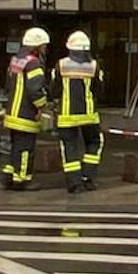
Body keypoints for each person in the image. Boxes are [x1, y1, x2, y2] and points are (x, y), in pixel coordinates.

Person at [53, 31, 103, 194]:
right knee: (94, 142)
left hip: (66, 116)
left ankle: (74, 182)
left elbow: (54, 90)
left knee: (69, 147)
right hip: (88, 114)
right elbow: (99, 90)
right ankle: (88, 177)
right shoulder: (94, 65)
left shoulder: (61, 65)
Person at [1, 27, 51, 190]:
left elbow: (8, 84)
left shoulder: (16, 59)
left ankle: (10, 175)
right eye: (43, 45)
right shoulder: (33, 63)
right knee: (25, 148)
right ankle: (21, 180)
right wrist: (43, 106)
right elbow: (35, 89)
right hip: (25, 113)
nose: (45, 49)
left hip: (12, 111)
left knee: (15, 145)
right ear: (37, 46)